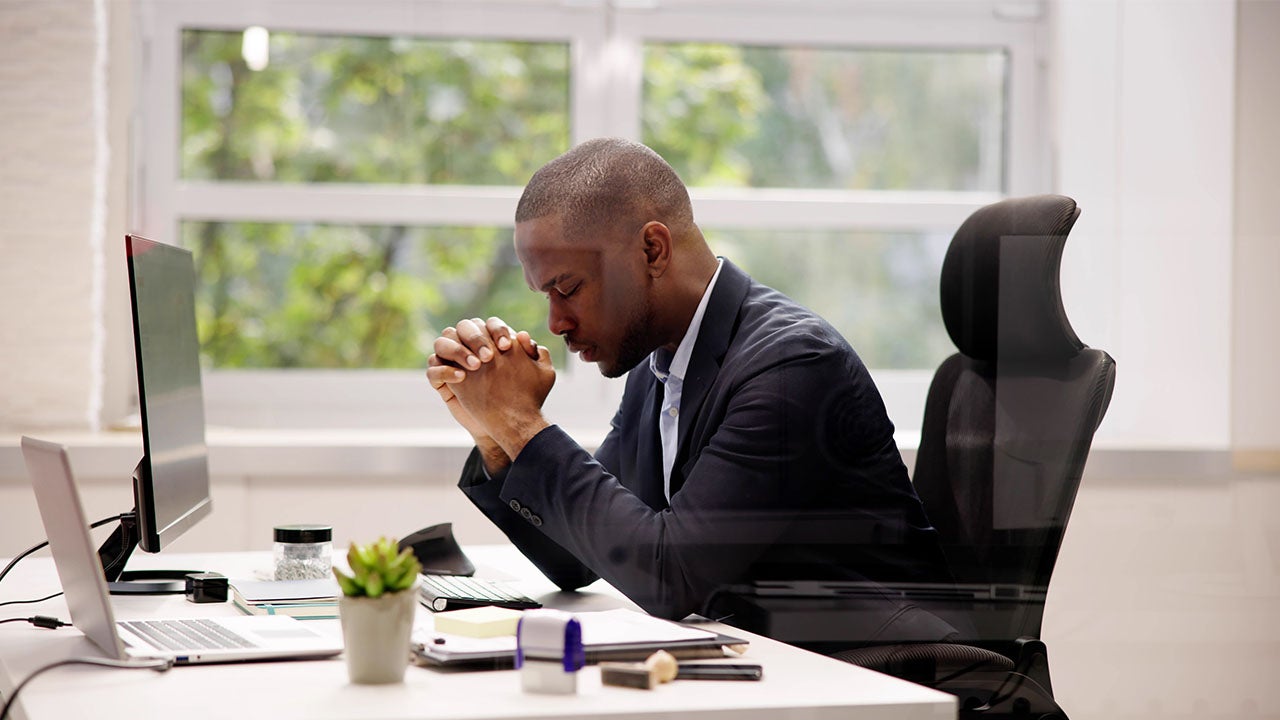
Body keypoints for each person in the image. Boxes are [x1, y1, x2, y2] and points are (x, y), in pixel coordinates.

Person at [426, 138, 953, 641]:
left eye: (568, 288)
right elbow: (578, 557)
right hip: (776, 662)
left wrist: (523, 422)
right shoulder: (659, 362)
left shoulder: (792, 366)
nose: (556, 322)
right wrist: (497, 435)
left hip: (883, 670)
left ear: (653, 250)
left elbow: (669, 576)